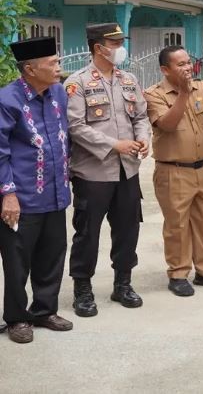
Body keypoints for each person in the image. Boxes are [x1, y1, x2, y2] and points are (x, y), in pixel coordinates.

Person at [64, 23, 150, 317]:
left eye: (120, 42)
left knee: (128, 229)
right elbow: (76, 127)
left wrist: (143, 139)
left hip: (128, 170)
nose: (119, 48)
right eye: (114, 43)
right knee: (87, 233)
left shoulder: (128, 79)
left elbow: (141, 115)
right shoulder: (77, 83)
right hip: (93, 173)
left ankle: (122, 284)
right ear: (98, 47)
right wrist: (114, 144)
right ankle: (83, 290)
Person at [0, 37, 73, 343]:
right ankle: (17, 318)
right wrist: (8, 194)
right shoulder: (8, 100)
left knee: (53, 254)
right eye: (53, 63)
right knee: (17, 261)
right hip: (23, 197)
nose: (59, 67)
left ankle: (44, 310)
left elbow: (64, 137)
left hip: (55, 192)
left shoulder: (58, 93)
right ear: (30, 68)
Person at [145, 45, 203, 297]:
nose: (187, 67)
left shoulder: (201, 87)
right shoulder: (154, 94)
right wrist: (182, 94)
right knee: (177, 225)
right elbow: (168, 125)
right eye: (180, 64)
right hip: (174, 170)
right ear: (165, 69)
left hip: (202, 167)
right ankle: (179, 273)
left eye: (188, 62)